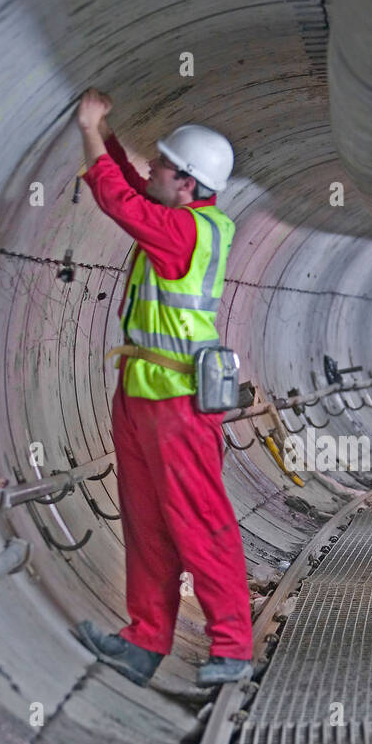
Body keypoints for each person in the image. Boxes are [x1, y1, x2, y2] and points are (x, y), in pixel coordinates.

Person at [72, 87, 253, 687]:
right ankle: (144, 640)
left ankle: (232, 646)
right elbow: (132, 186)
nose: (156, 167)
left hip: (177, 401)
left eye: (166, 165)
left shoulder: (186, 233)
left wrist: (90, 131)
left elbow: (119, 201)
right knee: (146, 523)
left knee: (198, 521)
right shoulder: (177, 217)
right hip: (142, 393)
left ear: (190, 185)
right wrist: (111, 139)